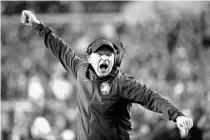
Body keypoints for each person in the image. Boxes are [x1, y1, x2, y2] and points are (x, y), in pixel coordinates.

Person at [21, 10, 193, 140]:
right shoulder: (81, 70)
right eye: (99, 54)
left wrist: (176, 115)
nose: (104, 57)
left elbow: (151, 98)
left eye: (109, 55)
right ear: (89, 58)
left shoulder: (122, 83)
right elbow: (60, 49)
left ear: (114, 59)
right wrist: (38, 25)